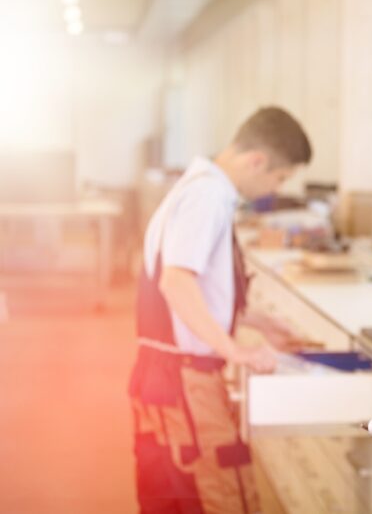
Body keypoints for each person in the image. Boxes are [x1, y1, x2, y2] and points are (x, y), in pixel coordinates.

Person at [129, 106, 312, 513]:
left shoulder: (198, 187)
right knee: (217, 496)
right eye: (278, 178)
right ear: (257, 160)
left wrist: (255, 322)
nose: (272, 189)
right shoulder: (208, 195)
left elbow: (193, 290)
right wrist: (236, 350)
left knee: (187, 492)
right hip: (184, 382)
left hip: (174, 376)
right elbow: (175, 282)